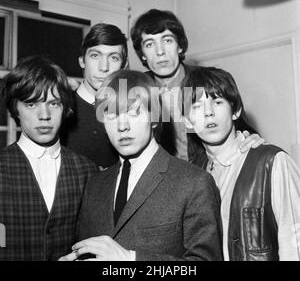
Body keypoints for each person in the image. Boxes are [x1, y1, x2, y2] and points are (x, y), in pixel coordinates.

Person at [59, 70, 223, 261]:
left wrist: (130, 259)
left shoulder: (195, 182)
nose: (122, 126)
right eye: (111, 115)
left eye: (134, 113)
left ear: (154, 117)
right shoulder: (94, 185)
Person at [182, 66, 300, 261]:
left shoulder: (271, 162)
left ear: (235, 110)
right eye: (197, 106)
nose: (208, 112)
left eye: (217, 101)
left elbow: (294, 244)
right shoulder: (190, 174)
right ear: (187, 121)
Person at [130, 8, 262, 162]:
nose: (160, 51)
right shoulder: (136, 90)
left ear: (179, 46)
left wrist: (251, 139)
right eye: (149, 44)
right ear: (143, 55)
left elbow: (241, 128)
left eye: (167, 40)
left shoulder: (206, 80)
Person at [0, 56, 98, 261]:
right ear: (15, 109)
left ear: (65, 108)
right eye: (31, 104)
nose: (44, 115)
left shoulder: (87, 170)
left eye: (53, 103)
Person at [60, 23, 128, 170]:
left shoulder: (129, 112)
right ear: (82, 61)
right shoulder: (59, 108)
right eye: (95, 55)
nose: (104, 67)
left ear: (124, 66)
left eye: (114, 57)